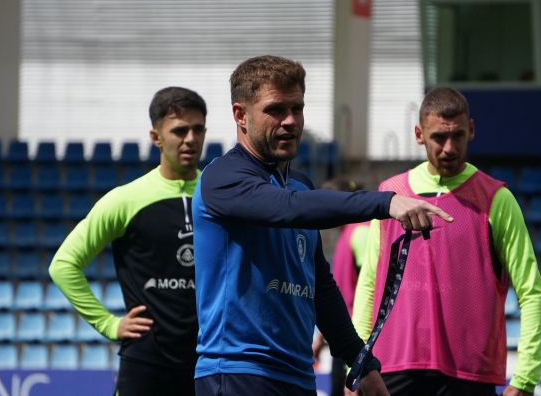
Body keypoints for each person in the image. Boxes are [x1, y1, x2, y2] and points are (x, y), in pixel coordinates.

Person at [191, 55, 453, 396]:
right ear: (240, 115)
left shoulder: (300, 185)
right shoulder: (221, 178)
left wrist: (361, 362)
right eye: (275, 110)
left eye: (297, 108)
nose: (290, 121)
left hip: (298, 375)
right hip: (238, 372)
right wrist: (385, 202)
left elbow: (320, 290)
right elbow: (287, 208)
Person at [352, 87, 541, 396]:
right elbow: (369, 284)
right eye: (438, 138)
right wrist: (356, 364)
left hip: (469, 375)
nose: (448, 148)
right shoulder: (390, 195)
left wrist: (525, 379)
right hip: (393, 369)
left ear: (471, 130)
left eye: (457, 135)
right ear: (418, 134)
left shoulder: (497, 199)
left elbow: (531, 292)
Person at [48, 86, 208, 396]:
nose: (190, 139)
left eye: (198, 129)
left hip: (210, 361)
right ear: (156, 137)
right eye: (179, 130)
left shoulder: (220, 195)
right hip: (147, 364)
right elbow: (63, 265)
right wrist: (109, 324)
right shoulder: (125, 199)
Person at [312, 177, 370, 396]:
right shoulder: (348, 234)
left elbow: (371, 293)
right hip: (344, 342)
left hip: (356, 346)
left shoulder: (361, 234)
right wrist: (320, 338)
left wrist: (360, 366)